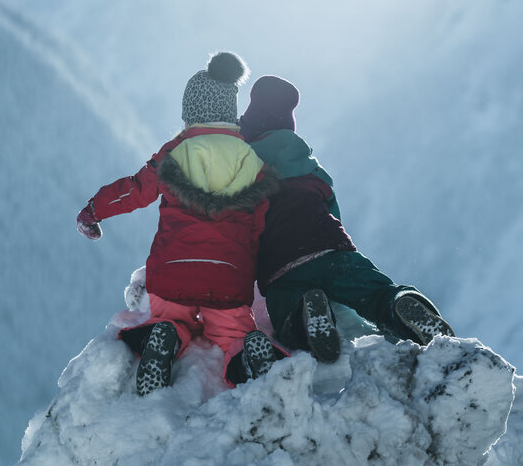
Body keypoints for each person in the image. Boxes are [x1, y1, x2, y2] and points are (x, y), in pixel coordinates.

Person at [77, 53, 284, 396]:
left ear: (191, 111)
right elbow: (258, 228)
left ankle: (167, 333)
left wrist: (93, 210)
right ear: (229, 112)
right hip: (228, 275)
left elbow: (136, 189)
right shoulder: (251, 159)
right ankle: (246, 349)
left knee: (172, 316)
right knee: (232, 331)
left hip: (173, 271)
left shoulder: (177, 150)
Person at [238, 75, 455, 363]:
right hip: (333, 247)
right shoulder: (309, 166)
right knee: (374, 292)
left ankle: (305, 316)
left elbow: (240, 226)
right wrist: (335, 251)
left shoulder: (242, 167)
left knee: (286, 306)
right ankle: (398, 304)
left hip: (282, 264)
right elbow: (332, 210)